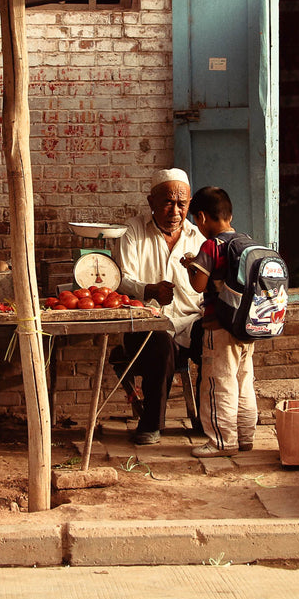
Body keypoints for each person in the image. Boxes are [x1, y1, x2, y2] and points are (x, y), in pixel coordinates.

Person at [114, 167, 206, 445]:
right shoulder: (132, 231)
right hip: (146, 323)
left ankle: (208, 418)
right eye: (168, 202)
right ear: (150, 201)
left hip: (189, 322)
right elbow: (120, 279)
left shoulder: (198, 237)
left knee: (213, 337)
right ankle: (152, 423)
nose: (176, 210)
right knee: (161, 342)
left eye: (182, 203)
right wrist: (148, 290)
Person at [183, 185, 257, 458]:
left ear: (201, 217)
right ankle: (246, 437)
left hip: (219, 327)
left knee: (219, 384)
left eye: (195, 220)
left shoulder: (211, 245)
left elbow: (200, 285)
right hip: (246, 326)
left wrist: (192, 265)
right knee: (244, 381)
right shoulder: (246, 240)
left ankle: (221, 442)